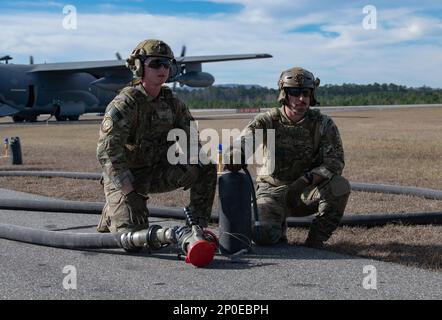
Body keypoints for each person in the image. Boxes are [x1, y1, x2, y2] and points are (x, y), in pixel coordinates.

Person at [96, 39, 217, 233]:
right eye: (155, 64)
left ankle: (197, 227)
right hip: (127, 176)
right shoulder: (125, 103)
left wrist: (193, 162)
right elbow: (107, 152)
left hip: (156, 171)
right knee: (132, 239)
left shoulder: (173, 103)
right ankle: (113, 212)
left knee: (206, 166)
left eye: (167, 64)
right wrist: (129, 192)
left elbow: (192, 142)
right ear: (138, 67)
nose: (162, 68)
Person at [225, 67, 351, 248]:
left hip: (306, 191)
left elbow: (335, 161)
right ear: (284, 94)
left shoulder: (323, 124)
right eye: (295, 92)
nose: (301, 98)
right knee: (262, 235)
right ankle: (276, 228)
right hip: (272, 191)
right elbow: (246, 140)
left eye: (306, 93)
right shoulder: (268, 120)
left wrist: (306, 179)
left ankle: (315, 242)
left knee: (339, 185)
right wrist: (236, 155)